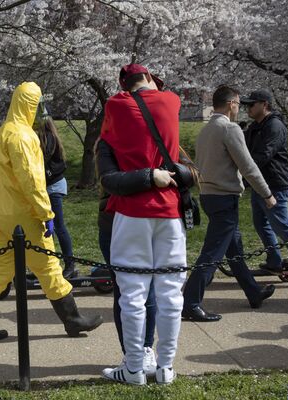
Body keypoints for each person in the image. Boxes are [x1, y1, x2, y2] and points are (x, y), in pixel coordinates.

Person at [0, 82, 102, 345]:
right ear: (30, 104)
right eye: (38, 104)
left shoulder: (5, 131)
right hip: (24, 215)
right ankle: (72, 319)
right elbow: (31, 180)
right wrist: (46, 213)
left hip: (1, 213)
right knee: (49, 266)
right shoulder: (23, 135)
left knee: (1, 267)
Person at [99, 63, 186, 386]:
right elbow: (160, 97)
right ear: (149, 78)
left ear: (123, 84)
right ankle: (166, 367)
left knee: (132, 294)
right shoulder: (172, 101)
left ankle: (134, 368)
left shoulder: (115, 105)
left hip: (131, 211)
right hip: (170, 211)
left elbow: (109, 143)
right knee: (170, 293)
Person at [182, 86, 277, 323]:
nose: (239, 109)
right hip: (224, 198)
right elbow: (248, 166)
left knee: (234, 250)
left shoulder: (204, 131)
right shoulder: (229, 128)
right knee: (212, 254)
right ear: (232, 103)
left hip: (209, 196)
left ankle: (253, 292)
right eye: (238, 104)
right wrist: (267, 194)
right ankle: (190, 303)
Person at [95, 136, 168, 378]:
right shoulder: (109, 142)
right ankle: (133, 355)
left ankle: (145, 351)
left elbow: (189, 171)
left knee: (151, 290)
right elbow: (110, 181)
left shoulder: (158, 137)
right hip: (116, 220)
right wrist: (150, 177)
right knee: (127, 290)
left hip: (153, 220)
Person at [241, 89, 288, 307]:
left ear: (264, 104)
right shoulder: (255, 127)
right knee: (261, 224)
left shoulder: (274, 126)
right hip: (261, 184)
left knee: (282, 226)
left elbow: (262, 156)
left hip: (275, 185)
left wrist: (242, 178)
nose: (248, 108)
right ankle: (274, 261)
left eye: (252, 104)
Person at [36, 117, 78, 278]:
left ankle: (70, 264)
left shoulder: (49, 138)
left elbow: (44, 160)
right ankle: (49, 265)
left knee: (58, 226)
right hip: (45, 187)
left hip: (53, 187)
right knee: (46, 228)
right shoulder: (44, 136)